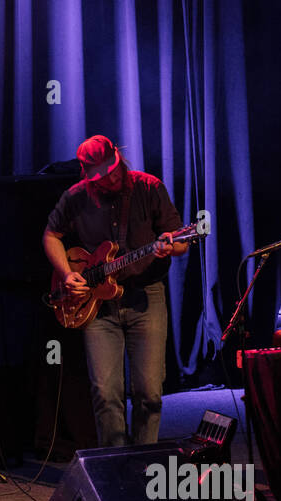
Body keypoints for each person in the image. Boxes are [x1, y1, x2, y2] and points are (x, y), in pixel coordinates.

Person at [42, 136, 187, 448]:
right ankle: (114, 468)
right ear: (87, 173)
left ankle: (144, 461)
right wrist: (68, 274)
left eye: (114, 169)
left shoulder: (149, 187)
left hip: (145, 297)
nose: (112, 177)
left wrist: (168, 246)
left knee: (149, 393)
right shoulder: (75, 197)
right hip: (98, 307)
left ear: (119, 157)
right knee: (106, 395)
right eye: (103, 175)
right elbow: (51, 235)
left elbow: (180, 241)